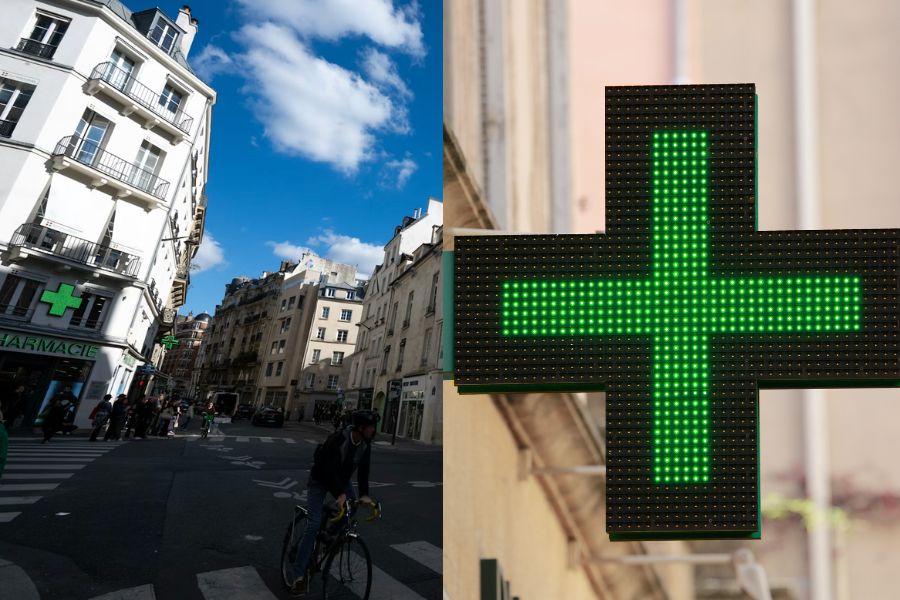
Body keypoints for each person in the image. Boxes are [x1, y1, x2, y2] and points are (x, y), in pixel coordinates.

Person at [290, 409, 379, 596]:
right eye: (371, 427)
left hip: (341, 480)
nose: (373, 430)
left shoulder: (365, 443)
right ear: (361, 427)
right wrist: (339, 494)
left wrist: (365, 494)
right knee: (313, 524)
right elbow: (327, 469)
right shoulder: (339, 439)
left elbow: (364, 471)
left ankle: (328, 535)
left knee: (352, 505)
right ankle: (298, 576)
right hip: (320, 479)